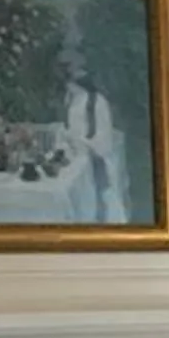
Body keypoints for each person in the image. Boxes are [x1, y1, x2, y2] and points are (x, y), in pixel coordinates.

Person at [58, 57, 128, 226]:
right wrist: (67, 140)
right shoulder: (70, 99)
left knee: (97, 197)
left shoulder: (97, 102)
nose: (69, 86)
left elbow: (103, 138)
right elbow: (69, 126)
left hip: (93, 158)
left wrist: (85, 143)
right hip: (74, 158)